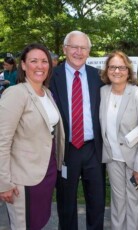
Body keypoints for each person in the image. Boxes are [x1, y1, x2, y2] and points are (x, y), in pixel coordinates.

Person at [0, 43, 65, 230]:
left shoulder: (48, 93)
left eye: (44, 61)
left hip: (46, 172)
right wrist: (3, 182)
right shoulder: (16, 93)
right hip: (24, 178)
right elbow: (2, 140)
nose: (40, 66)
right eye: (33, 61)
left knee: (39, 222)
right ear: (23, 65)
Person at [49, 31, 105, 230]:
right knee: (66, 201)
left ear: (89, 52)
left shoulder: (98, 76)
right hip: (66, 149)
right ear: (65, 49)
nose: (78, 52)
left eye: (83, 48)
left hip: (93, 149)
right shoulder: (50, 76)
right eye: (74, 47)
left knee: (97, 200)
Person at [99, 51, 138, 230]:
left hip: (134, 161)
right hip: (113, 159)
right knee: (117, 202)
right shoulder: (103, 92)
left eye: (121, 67)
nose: (117, 71)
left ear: (128, 71)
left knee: (134, 204)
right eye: (112, 67)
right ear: (107, 71)